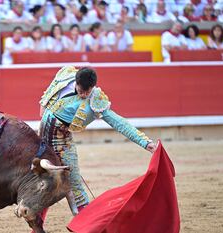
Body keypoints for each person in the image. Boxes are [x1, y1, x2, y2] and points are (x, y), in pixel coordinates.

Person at [38, 66, 156, 218]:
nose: (84, 95)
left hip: (62, 144)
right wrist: (43, 110)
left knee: (75, 187)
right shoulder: (65, 75)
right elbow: (47, 95)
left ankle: (88, 225)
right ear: (76, 82)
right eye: (81, 91)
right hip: (41, 139)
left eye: (88, 91)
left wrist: (145, 142)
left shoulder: (96, 100)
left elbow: (118, 122)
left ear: (93, 87)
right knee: (40, 183)